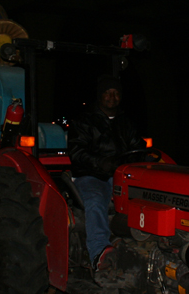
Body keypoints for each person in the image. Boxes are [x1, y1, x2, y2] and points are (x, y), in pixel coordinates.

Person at [68, 75, 146, 272]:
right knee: (95, 200)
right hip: (92, 174)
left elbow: (138, 148)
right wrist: (99, 162)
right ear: (100, 96)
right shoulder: (83, 121)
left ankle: (142, 245)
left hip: (121, 174)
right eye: (108, 93)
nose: (112, 97)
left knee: (145, 198)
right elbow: (77, 151)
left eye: (116, 93)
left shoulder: (126, 122)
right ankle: (99, 252)